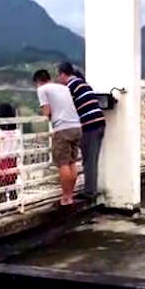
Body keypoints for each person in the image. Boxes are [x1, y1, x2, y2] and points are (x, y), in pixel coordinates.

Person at [33, 69, 82, 206]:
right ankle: (70, 195)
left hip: (62, 128)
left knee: (63, 163)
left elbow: (47, 111)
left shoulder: (42, 89)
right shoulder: (64, 88)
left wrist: (46, 116)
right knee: (72, 162)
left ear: (38, 81)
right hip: (76, 126)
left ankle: (66, 197)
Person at [57, 62, 106, 201]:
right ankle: (91, 189)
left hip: (90, 126)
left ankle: (90, 192)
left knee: (89, 160)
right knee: (92, 159)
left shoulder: (70, 87)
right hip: (99, 124)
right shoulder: (83, 84)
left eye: (59, 75)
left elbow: (65, 108)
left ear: (63, 74)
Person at [0, 103, 20, 204]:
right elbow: (17, 147)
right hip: (12, 160)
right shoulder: (16, 131)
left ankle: (2, 207)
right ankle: (14, 205)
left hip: (1, 161)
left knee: (1, 189)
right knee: (12, 186)